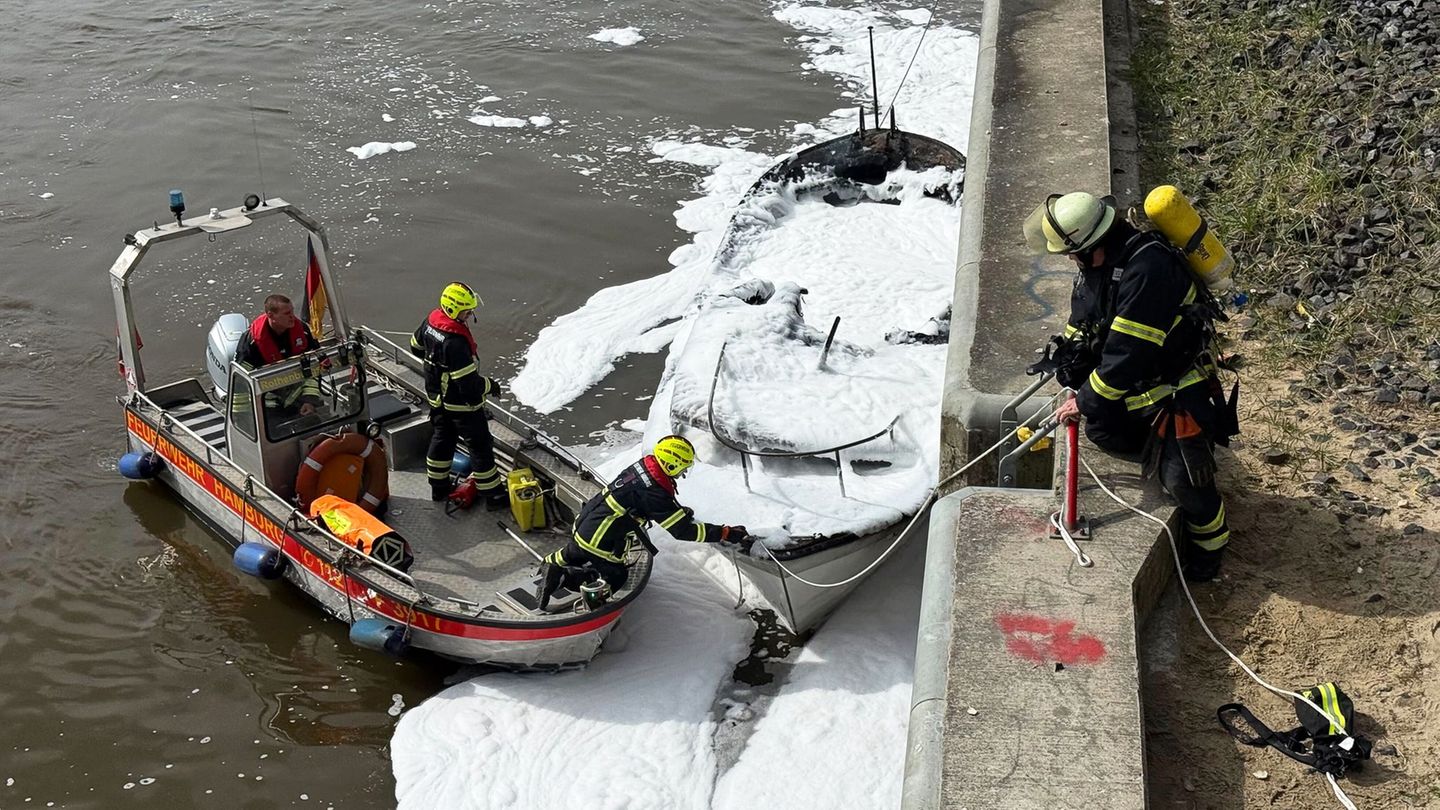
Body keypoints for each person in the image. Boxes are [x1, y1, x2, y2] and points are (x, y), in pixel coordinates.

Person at [1024, 192, 1238, 582]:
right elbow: (1084, 324)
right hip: (1144, 383)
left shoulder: (1148, 270)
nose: (1072, 261)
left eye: (1074, 254)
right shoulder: (1098, 267)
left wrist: (1084, 400)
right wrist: (1070, 367)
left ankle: (1210, 550)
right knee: (1102, 429)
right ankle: (1163, 443)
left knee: (1183, 481)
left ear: (1094, 245)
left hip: (1179, 390)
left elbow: (1128, 355)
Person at [535, 435, 751, 610]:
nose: (684, 472)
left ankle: (551, 564)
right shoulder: (654, 491)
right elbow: (682, 531)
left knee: (575, 551)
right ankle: (567, 578)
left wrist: (675, 510)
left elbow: (643, 501)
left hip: (586, 524)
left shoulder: (645, 468)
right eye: (682, 467)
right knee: (616, 576)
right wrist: (724, 533)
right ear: (670, 463)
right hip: (601, 539)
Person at [410, 282, 506, 508]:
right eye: (467, 310)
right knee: (480, 447)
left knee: (442, 440)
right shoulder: (456, 342)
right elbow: (469, 385)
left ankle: (438, 488)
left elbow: (415, 346)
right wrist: (490, 385)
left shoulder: (431, 322)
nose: (470, 314)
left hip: (437, 399)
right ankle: (493, 495)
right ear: (453, 310)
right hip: (461, 406)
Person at [234, 293, 321, 415]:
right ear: (271, 315)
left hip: (300, 397)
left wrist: (309, 400)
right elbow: (240, 382)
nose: (292, 317)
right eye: (286, 313)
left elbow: (315, 366)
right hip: (267, 404)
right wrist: (241, 417)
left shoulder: (303, 332)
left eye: (292, 311)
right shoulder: (251, 343)